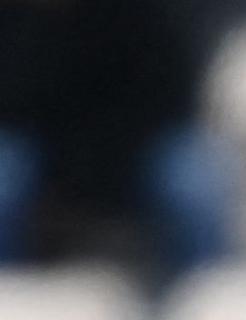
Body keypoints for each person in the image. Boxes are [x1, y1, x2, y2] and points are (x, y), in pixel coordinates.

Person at [0, 0, 228, 279]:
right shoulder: (14, 20)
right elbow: (14, 105)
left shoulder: (142, 13)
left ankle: (205, 303)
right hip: (40, 150)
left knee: (193, 186)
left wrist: (98, 160)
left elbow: (172, 95)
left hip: (137, 145)